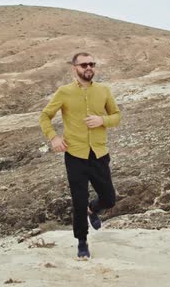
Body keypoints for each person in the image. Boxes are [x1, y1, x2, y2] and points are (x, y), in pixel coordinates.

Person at [39, 52, 122, 258]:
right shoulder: (64, 92)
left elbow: (116, 116)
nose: (88, 67)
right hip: (74, 155)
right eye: (84, 64)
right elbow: (45, 116)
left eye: (92, 64)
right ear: (74, 68)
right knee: (78, 200)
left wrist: (103, 121)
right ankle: (82, 241)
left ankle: (92, 209)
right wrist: (54, 138)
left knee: (109, 199)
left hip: (99, 153)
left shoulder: (104, 90)